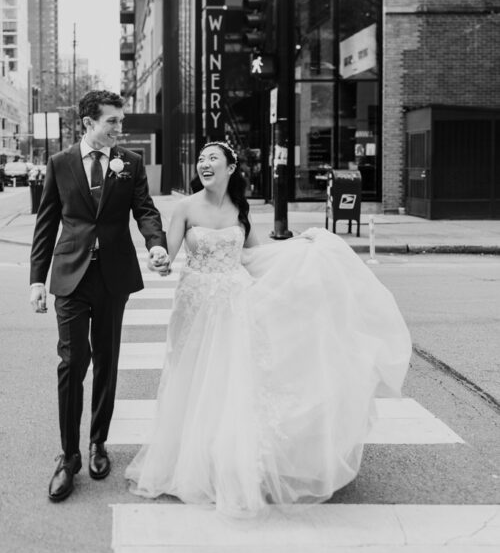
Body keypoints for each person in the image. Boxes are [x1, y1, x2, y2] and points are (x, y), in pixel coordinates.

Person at [125, 141, 412, 517]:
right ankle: (190, 460)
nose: (204, 164)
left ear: (231, 168)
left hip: (233, 304)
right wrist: (159, 257)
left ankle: (228, 462)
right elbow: (169, 254)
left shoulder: (239, 210)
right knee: (193, 381)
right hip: (195, 307)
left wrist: (300, 250)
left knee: (233, 383)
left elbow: (254, 258)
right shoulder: (184, 208)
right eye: (201, 160)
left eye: (213, 159)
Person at [30, 90, 170, 502]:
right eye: (111, 121)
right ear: (89, 122)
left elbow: (145, 209)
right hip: (71, 277)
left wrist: (155, 244)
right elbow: (46, 224)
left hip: (113, 277)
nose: (118, 128)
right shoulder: (60, 163)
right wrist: (37, 280)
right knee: (72, 363)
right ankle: (68, 456)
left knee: (107, 360)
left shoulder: (130, 162)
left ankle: (97, 443)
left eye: (120, 121)